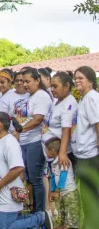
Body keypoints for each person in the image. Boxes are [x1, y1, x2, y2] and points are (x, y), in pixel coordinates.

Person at [0, 112, 52, 229]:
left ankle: (40, 217)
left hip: (6, 194)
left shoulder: (9, 142)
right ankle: (35, 220)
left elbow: (18, 168)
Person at [12, 67, 53, 213]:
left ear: (37, 80)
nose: (25, 84)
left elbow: (37, 119)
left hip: (36, 141)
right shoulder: (30, 97)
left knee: (36, 179)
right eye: (23, 81)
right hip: (25, 142)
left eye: (28, 81)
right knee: (29, 178)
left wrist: (20, 130)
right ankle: (33, 209)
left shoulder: (41, 96)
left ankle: (40, 212)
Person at [42, 71, 78, 216]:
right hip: (54, 153)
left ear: (67, 85)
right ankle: (62, 218)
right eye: (51, 86)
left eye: (55, 86)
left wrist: (62, 152)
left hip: (63, 153)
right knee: (57, 184)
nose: (52, 89)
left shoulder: (69, 103)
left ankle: (68, 221)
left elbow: (66, 129)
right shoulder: (56, 101)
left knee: (66, 189)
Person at [71, 66, 99, 225]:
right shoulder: (84, 98)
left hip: (90, 155)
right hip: (83, 154)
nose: (76, 81)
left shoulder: (92, 98)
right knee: (86, 196)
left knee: (91, 197)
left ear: (91, 81)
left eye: (80, 78)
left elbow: (98, 124)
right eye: (75, 78)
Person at [45, 138, 79, 229]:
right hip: (62, 194)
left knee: (71, 218)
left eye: (46, 150)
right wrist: (52, 191)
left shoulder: (64, 160)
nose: (45, 153)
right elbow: (53, 177)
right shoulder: (53, 163)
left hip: (69, 193)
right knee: (63, 216)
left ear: (52, 151)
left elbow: (63, 177)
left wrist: (56, 191)